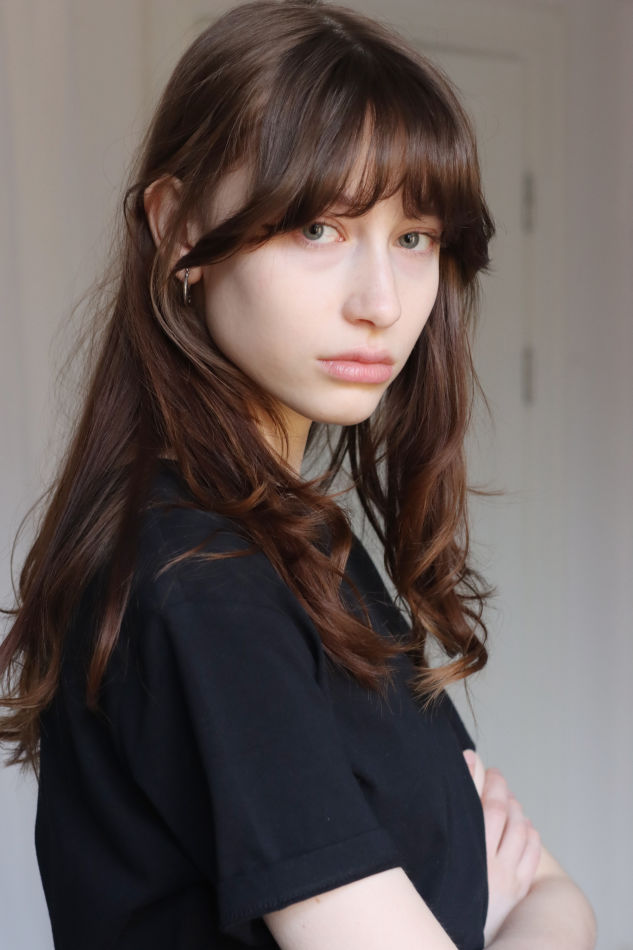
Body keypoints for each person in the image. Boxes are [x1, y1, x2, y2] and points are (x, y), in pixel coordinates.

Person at [0, 1, 596, 948]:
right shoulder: (198, 575)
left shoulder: (300, 539)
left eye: (413, 238)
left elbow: (558, 897)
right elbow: (527, 899)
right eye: (319, 228)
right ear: (177, 227)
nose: (380, 303)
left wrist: (518, 914)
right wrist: (502, 915)